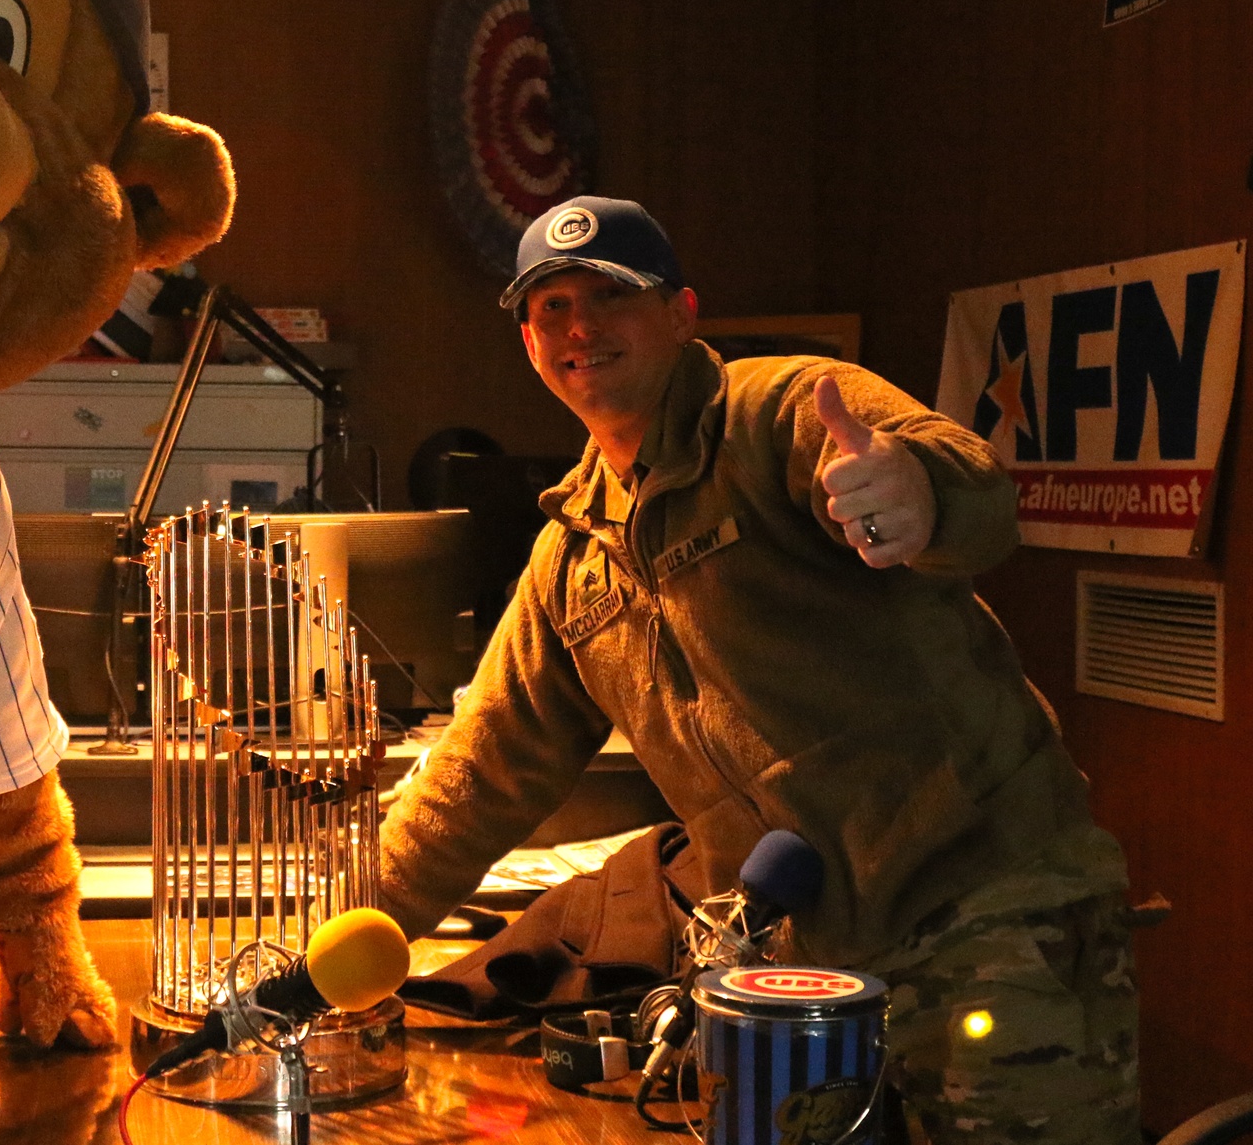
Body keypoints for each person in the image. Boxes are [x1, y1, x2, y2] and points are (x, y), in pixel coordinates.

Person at [378, 197, 1140, 1143]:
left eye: (611, 294)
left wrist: (910, 496)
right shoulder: (572, 552)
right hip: (806, 972)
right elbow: (480, 774)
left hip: (986, 907)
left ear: (682, 312)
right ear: (531, 343)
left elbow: (964, 482)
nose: (580, 327)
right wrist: (341, 941)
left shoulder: (779, 410)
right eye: (551, 307)